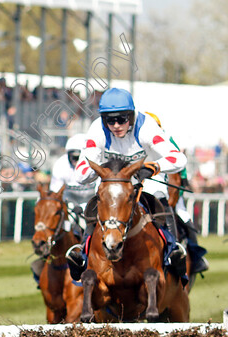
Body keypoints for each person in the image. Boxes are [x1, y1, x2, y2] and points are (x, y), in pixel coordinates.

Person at [66, 88, 189, 281]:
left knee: (160, 199)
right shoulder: (98, 129)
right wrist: (102, 171)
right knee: (96, 205)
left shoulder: (146, 126)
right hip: (114, 183)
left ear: (131, 116)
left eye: (122, 119)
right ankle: (82, 254)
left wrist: (154, 167)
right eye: (110, 120)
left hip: (145, 179)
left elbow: (178, 159)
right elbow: (81, 174)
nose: (116, 125)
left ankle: (174, 250)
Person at [143, 111, 208, 275]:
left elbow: (179, 173)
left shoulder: (166, 140)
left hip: (166, 189)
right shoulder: (135, 141)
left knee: (183, 215)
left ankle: (192, 256)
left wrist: (176, 191)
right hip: (139, 189)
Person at [31, 134, 94, 282]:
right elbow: (55, 194)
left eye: (79, 157)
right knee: (56, 227)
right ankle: (45, 260)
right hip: (69, 203)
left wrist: (87, 208)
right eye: (73, 156)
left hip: (92, 202)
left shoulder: (94, 163)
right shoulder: (60, 165)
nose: (75, 160)